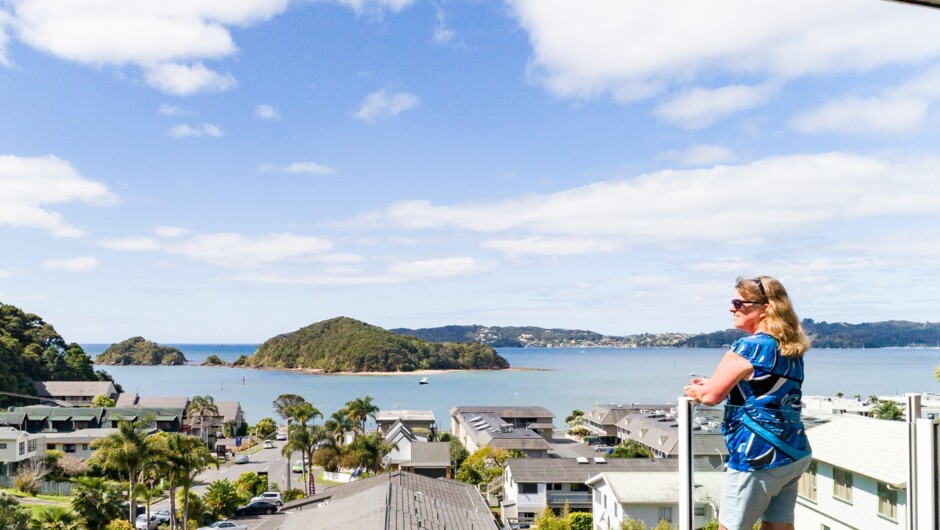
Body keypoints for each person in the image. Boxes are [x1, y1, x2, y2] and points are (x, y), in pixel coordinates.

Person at [684, 276, 812, 530]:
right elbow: (764, 388)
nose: (732, 308)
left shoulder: (748, 347)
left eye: (739, 303)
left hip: (757, 455)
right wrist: (715, 383)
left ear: (765, 307)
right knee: (779, 527)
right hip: (792, 450)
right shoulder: (788, 349)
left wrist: (698, 391)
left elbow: (711, 397)